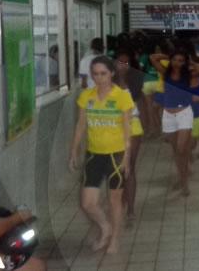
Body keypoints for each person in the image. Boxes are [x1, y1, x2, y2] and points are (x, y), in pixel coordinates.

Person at [70, 56, 134, 254]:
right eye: (95, 74)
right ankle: (105, 227)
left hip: (116, 155)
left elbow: (127, 129)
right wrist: (74, 149)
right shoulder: (86, 96)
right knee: (87, 203)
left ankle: (114, 238)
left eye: (103, 73)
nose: (99, 78)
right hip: (93, 155)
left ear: (112, 73)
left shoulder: (122, 96)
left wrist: (127, 157)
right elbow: (81, 125)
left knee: (115, 200)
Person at [151, 50, 194, 197]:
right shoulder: (165, 73)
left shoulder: (188, 75)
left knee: (182, 149)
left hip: (184, 114)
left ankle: (185, 180)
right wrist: (168, 56)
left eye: (181, 60)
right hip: (168, 115)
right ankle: (183, 179)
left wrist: (189, 62)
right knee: (177, 151)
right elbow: (153, 58)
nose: (177, 63)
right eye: (175, 60)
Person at [114, 49, 145, 225]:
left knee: (129, 167)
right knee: (117, 169)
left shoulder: (134, 82)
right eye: (119, 62)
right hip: (114, 127)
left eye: (126, 63)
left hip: (133, 125)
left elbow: (140, 103)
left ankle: (131, 209)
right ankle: (121, 200)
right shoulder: (107, 82)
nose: (122, 66)